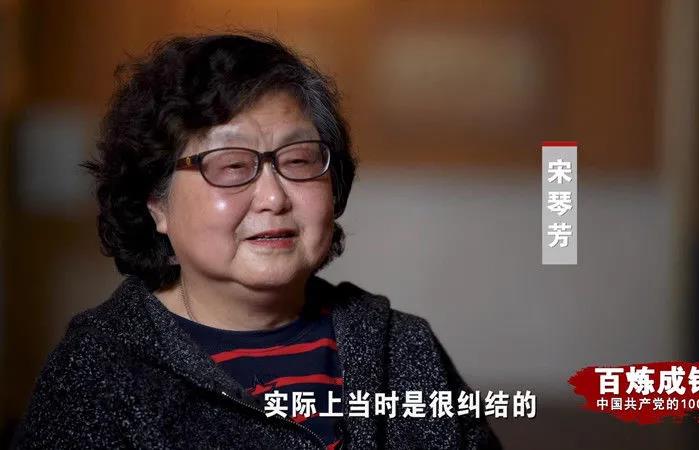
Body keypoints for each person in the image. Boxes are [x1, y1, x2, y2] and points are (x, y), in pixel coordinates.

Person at [12, 33, 501, 449]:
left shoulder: (402, 348)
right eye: (231, 166)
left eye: (299, 160)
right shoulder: (99, 368)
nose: (273, 197)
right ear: (156, 203)